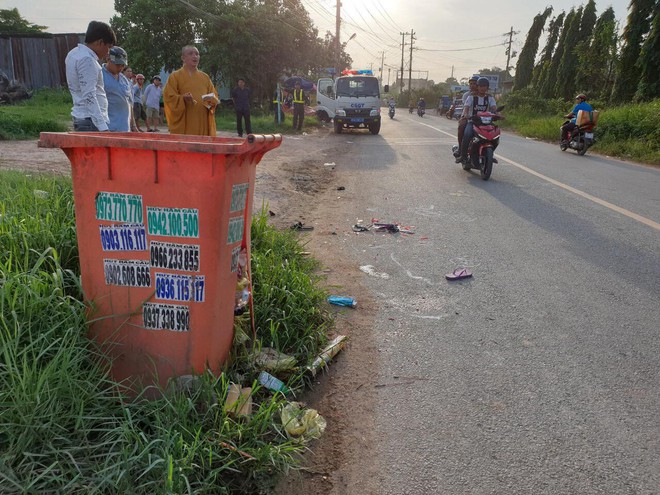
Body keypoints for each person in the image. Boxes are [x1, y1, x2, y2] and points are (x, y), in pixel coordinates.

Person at [64, 20, 116, 131]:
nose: (108, 52)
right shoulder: (87, 60)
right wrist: (102, 127)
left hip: (85, 118)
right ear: (100, 42)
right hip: (92, 122)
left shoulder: (74, 53)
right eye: (109, 47)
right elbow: (89, 95)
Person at [163, 45, 219, 136]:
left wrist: (212, 100)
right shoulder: (175, 76)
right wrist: (182, 98)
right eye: (190, 54)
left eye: (197, 54)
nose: (195, 56)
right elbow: (169, 97)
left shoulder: (205, 77)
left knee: (202, 147)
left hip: (202, 120)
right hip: (185, 121)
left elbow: (214, 96)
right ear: (183, 58)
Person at [457, 77, 497, 164]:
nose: (483, 88)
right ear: (478, 87)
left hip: (486, 123)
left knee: (495, 136)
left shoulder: (490, 98)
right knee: (467, 135)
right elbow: (466, 107)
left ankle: (490, 154)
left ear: (487, 87)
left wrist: (498, 115)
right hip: (473, 122)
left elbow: (494, 108)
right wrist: (466, 115)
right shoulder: (471, 97)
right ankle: (463, 156)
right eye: (481, 86)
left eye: (485, 86)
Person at [101, 47, 135, 132]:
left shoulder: (124, 80)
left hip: (125, 129)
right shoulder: (100, 76)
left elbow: (129, 103)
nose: (120, 68)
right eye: (118, 65)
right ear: (108, 59)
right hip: (109, 129)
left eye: (123, 65)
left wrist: (133, 125)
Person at [455, 76, 479, 152]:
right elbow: (467, 106)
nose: (472, 85)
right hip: (468, 117)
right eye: (471, 84)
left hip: (482, 119)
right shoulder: (467, 95)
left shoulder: (486, 95)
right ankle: (460, 148)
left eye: (475, 84)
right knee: (461, 127)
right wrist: (466, 115)